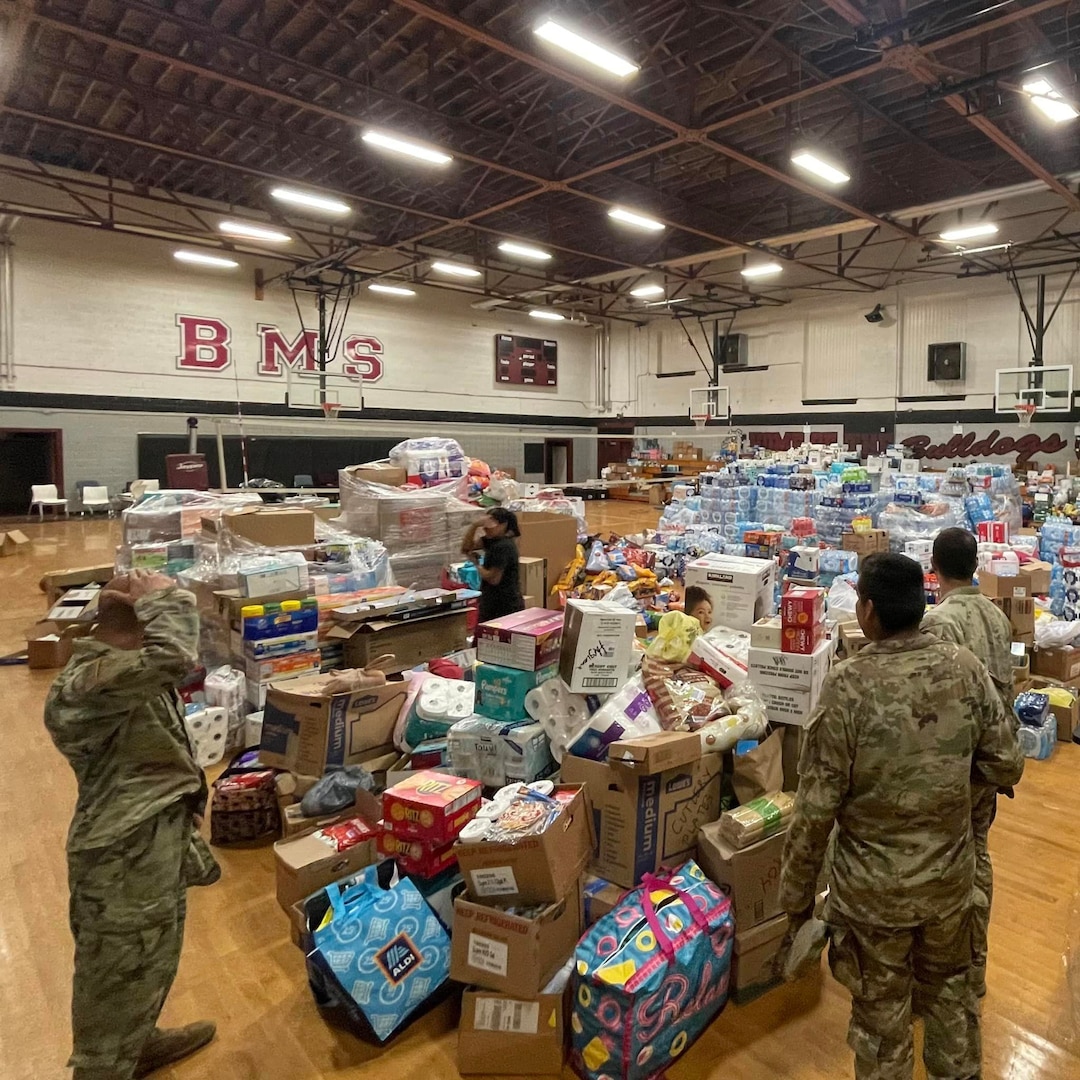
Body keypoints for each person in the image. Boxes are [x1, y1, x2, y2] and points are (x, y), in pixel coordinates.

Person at [780, 553, 1023, 1080]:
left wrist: (796, 901)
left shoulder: (848, 686)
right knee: (950, 999)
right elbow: (1008, 762)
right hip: (948, 884)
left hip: (872, 900)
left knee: (882, 1021)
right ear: (923, 600)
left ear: (867, 611)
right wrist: (950, 784)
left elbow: (814, 811)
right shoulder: (963, 668)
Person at [44, 570, 220, 1080]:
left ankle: (137, 1043)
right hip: (119, 854)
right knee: (118, 968)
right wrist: (168, 601)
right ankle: (102, 1066)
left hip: (147, 838)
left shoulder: (123, 667)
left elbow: (164, 680)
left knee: (149, 959)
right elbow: (174, 657)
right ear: (140, 625)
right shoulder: (86, 686)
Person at [922, 527, 1018, 998]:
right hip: (994, 757)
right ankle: (975, 964)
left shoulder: (941, 621)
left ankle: (947, 970)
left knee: (948, 862)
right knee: (979, 850)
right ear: (974, 564)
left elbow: (938, 704)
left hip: (958, 765)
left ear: (934, 568)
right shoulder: (996, 618)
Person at [462, 507, 525, 622]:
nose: (485, 528)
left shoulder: (503, 546)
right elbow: (466, 548)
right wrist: (474, 526)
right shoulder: (491, 540)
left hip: (503, 605)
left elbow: (493, 579)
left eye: (490, 523)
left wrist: (476, 564)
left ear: (503, 525)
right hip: (491, 601)